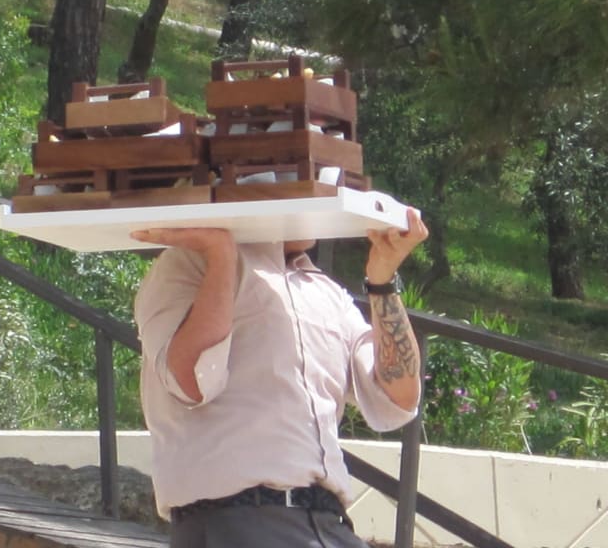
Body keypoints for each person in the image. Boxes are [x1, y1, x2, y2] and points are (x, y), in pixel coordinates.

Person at [130, 208, 428, 548]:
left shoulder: (327, 292)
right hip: (237, 519)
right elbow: (191, 380)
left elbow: (399, 396)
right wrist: (221, 254)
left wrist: (383, 282)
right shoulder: (187, 263)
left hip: (327, 522)